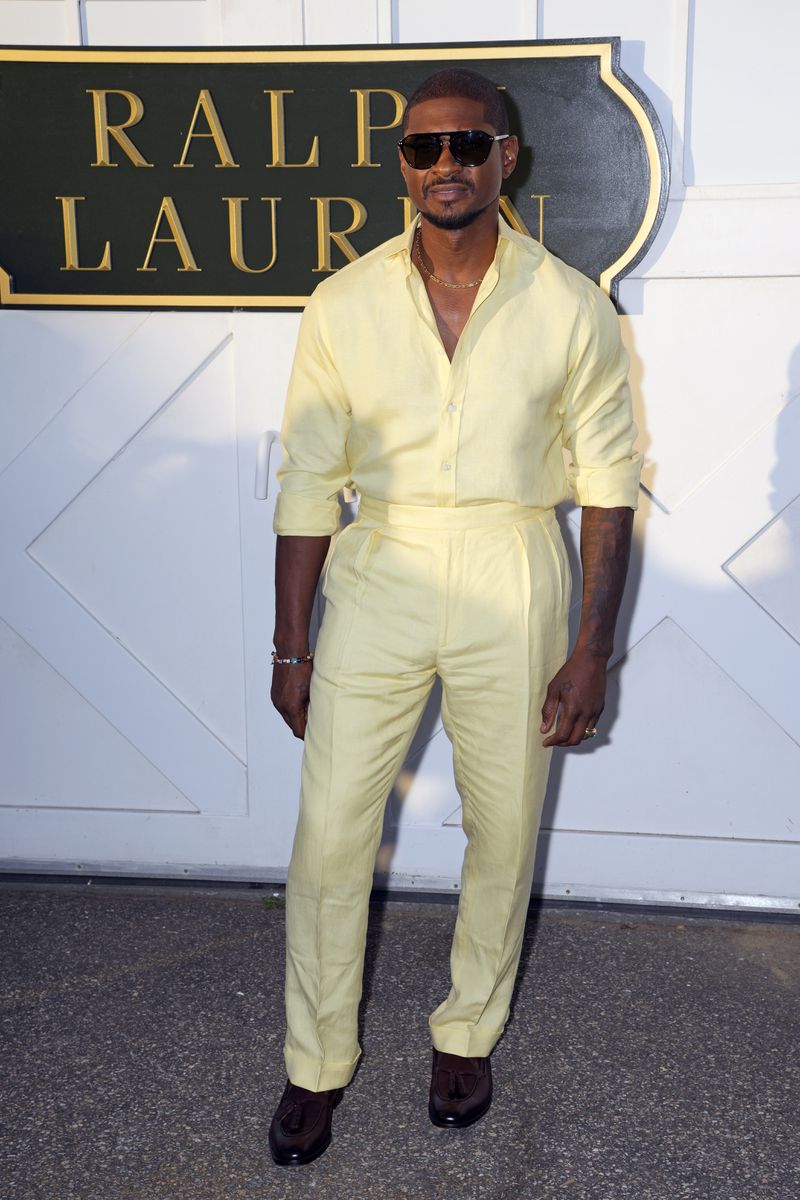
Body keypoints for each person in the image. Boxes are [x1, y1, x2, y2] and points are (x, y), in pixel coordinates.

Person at [267, 67, 642, 1166]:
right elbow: (305, 484)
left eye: (467, 145)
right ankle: (314, 1062)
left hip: (511, 564)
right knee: (331, 832)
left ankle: (467, 1031)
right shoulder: (342, 303)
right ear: (401, 164)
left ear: (504, 159)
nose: (446, 167)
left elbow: (609, 488)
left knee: (503, 823)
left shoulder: (570, 305)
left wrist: (590, 651)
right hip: (376, 567)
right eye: (425, 149)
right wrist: (292, 643)